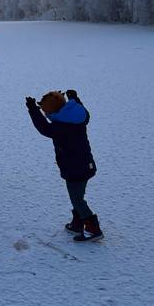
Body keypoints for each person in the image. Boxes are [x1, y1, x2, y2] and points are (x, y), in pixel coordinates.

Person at [25, 89, 103, 241]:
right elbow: (82, 110)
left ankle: (93, 229)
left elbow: (44, 128)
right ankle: (77, 223)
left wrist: (33, 110)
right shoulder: (77, 117)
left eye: (46, 112)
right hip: (86, 165)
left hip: (74, 169)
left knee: (77, 199)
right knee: (77, 196)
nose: (46, 115)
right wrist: (75, 98)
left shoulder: (61, 127)